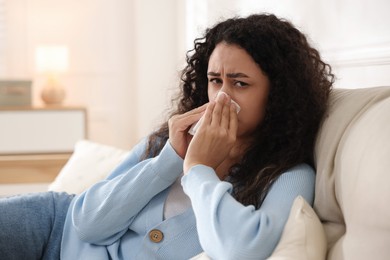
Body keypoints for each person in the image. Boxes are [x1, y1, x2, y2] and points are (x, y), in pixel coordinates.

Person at [0, 13, 334, 260]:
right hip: (52, 227)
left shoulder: (287, 177)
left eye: (240, 83)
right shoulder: (170, 141)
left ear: (278, 95)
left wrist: (199, 169)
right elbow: (87, 224)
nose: (221, 97)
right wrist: (170, 159)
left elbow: (241, 251)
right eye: (215, 80)